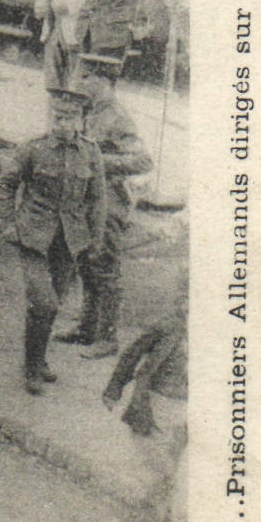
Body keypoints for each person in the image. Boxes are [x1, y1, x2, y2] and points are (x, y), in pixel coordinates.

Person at [0, 88, 108, 396]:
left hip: (68, 240)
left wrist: (95, 240)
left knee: (53, 304)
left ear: (81, 121)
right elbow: (6, 184)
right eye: (57, 117)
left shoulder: (90, 152)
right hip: (33, 238)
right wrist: (8, 225)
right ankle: (31, 368)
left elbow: (98, 199)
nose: (61, 123)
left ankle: (40, 360)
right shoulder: (33, 148)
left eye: (69, 118)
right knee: (42, 302)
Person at [60, 52, 153, 359]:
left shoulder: (117, 117)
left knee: (106, 268)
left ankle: (107, 338)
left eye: (85, 77)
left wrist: (100, 162)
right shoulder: (92, 111)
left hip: (109, 202)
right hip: (88, 199)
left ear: (102, 80)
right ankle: (86, 329)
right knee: (87, 263)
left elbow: (142, 160)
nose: (80, 82)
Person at [102, 294, 187, 522]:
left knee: (167, 475)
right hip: (152, 408)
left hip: (184, 414)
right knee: (164, 474)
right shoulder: (167, 326)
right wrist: (113, 389)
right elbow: (132, 353)